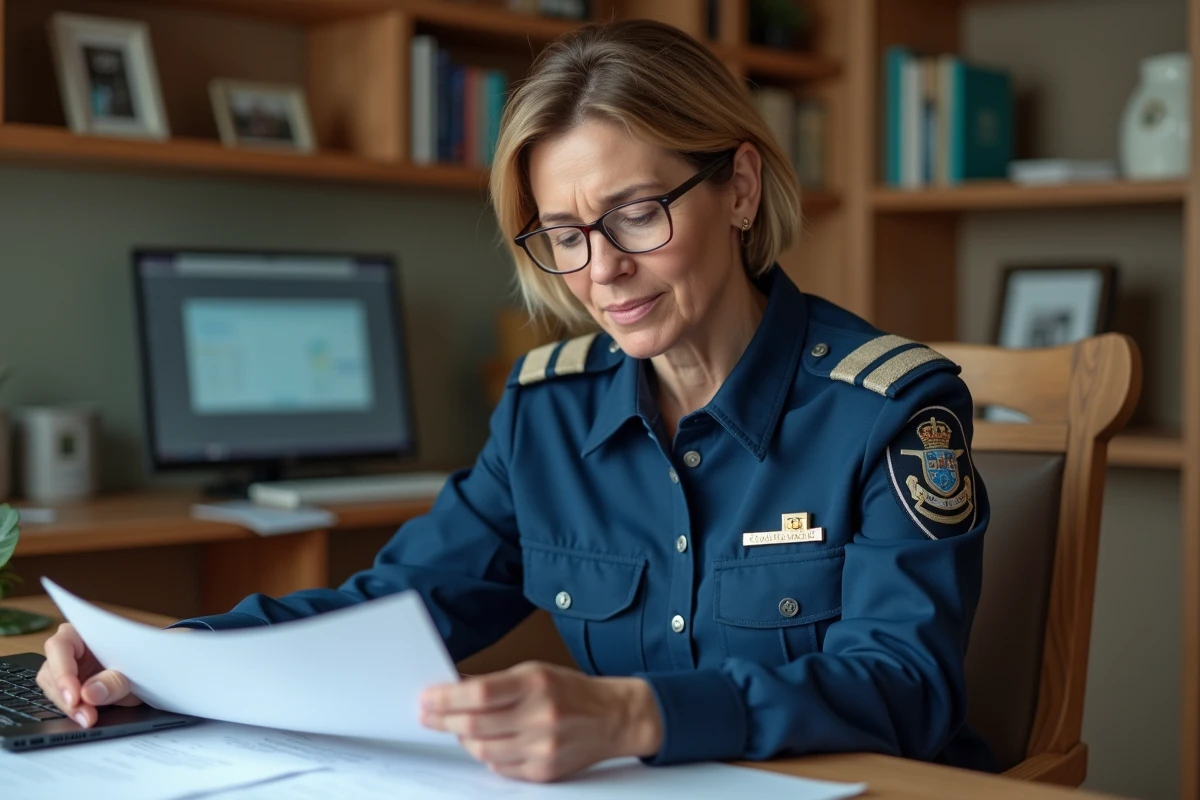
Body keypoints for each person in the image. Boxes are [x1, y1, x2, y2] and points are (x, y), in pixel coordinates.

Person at [37, 18, 993, 782]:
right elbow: (395, 609)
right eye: (564, 233)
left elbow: (903, 687)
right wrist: (164, 657)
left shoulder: (889, 410)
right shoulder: (549, 414)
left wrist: (634, 715)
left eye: (636, 213)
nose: (602, 268)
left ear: (738, 188)